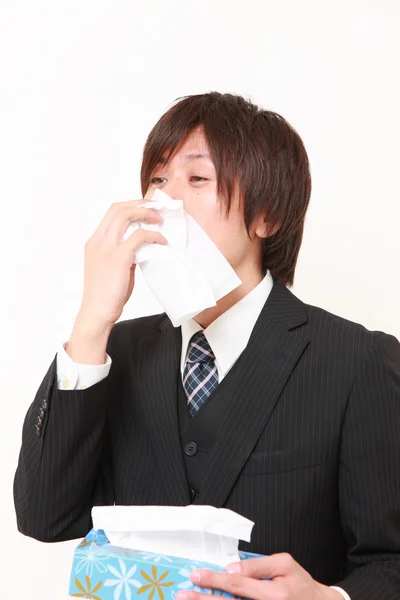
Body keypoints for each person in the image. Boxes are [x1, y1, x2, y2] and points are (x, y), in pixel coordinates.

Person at [13, 92, 400, 600]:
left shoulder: (356, 361)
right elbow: (44, 515)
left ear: (267, 217)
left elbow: (390, 563)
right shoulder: (116, 352)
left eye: (197, 179)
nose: (166, 202)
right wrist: (92, 321)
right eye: (157, 180)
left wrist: (329, 599)